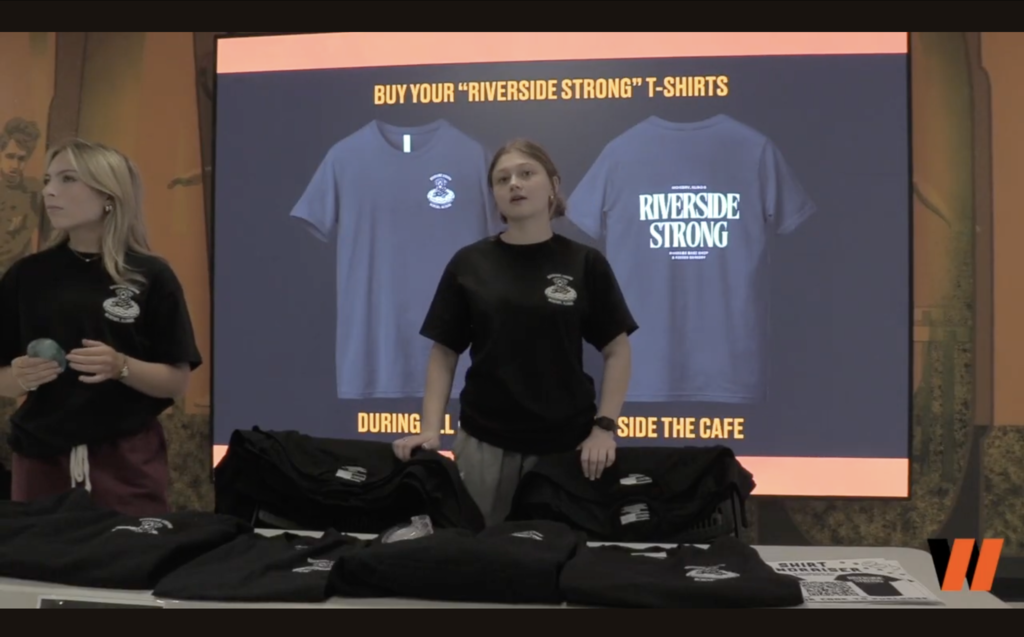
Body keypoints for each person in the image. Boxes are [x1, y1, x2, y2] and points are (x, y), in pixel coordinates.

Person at [393, 139, 638, 525]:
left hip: (565, 446)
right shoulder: (470, 263)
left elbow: (617, 350)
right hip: (484, 445)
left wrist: (604, 428)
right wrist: (429, 429)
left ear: (553, 185)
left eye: (527, 173)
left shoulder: (584, 263)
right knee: (482, 563)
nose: (514, 185)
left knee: (554, 560)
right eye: (502, 178)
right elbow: (444, 352)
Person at [0, 138, 202, 516]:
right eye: (47, 180)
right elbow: (2, 379)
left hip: (127, 461)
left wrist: (120, 366)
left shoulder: (151, 275)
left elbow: (176, 381)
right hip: (40, 459)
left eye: (67, 179)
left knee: (127, 567)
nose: (49, 191)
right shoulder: (26, 276)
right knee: (38, 571)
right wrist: (20, 377)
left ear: (109, 195)